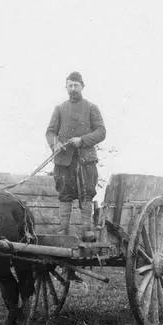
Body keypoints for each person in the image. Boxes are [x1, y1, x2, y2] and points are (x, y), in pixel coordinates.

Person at [45, 71, 106, 241]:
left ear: (82, 87)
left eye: (76, 85)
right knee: (64, 195)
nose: (73, 88)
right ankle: (62, 234)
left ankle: (86, 231)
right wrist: (54, 144)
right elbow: (50, 132)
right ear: (66, 87)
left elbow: (101, 132)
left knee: (86, 193)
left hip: (85, 160)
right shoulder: (59, 109)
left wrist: (83, 140)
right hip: (64, 161)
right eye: (70, 85)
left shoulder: (91, 108)